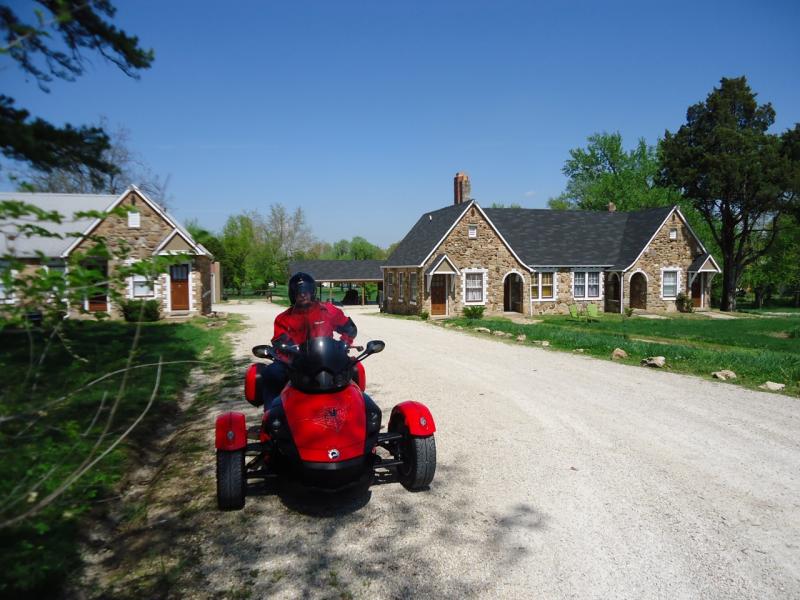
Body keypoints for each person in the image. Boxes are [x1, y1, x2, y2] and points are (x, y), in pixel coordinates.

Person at [262, 272, 358, 405]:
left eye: (306, 291)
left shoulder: (328, 311)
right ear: (292, 294)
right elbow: (279, 342)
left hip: (327, 359)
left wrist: (343, 345)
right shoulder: (283, 319)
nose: (302, 294)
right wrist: (289, 355)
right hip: (296, 363)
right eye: (298, 292)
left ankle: (356, 406)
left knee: (355, 368)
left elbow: (350, 328)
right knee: (271, 373)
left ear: (312, 292)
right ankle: (272, 414)